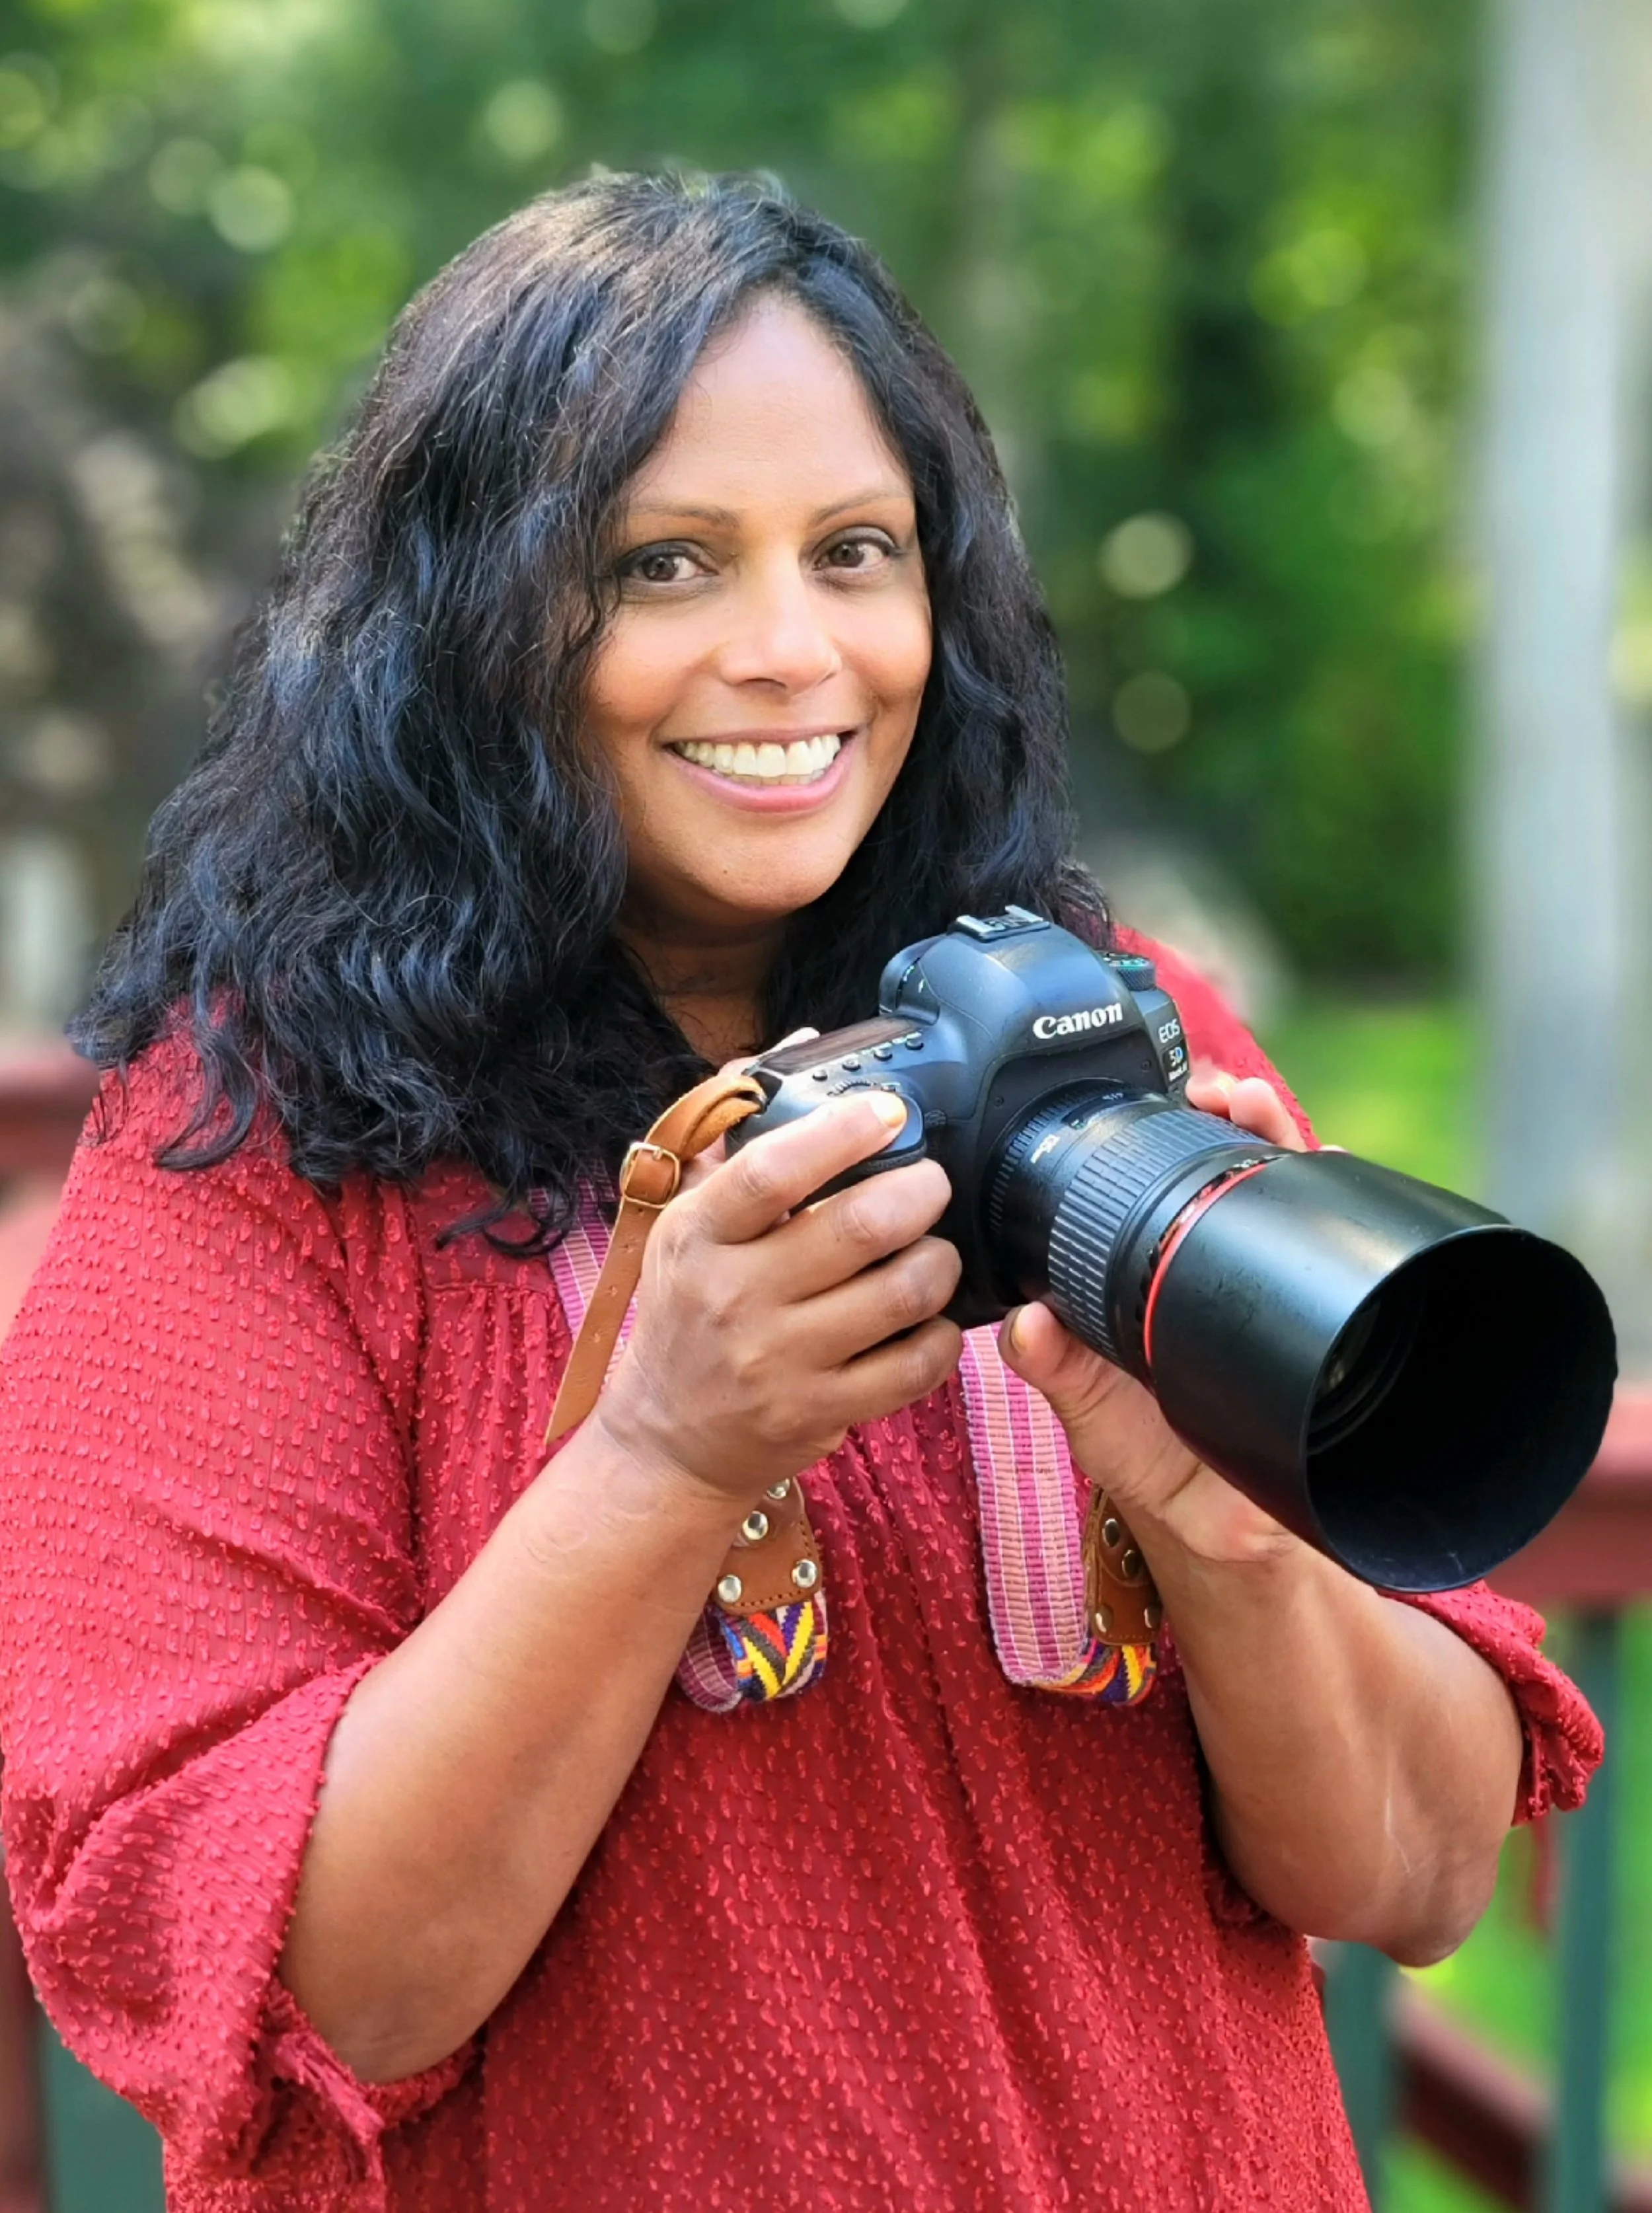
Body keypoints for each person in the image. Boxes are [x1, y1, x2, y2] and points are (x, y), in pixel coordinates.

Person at [0, 174, 1600, 2213]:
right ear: (464, 628)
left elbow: (1419, 1868)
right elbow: (336, 1986)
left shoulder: (1126, 1057)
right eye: (662, 564)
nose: (788, 650)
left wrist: (1227, 1538)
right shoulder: (244, 1164)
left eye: (858, 552)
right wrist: (663, 1452)